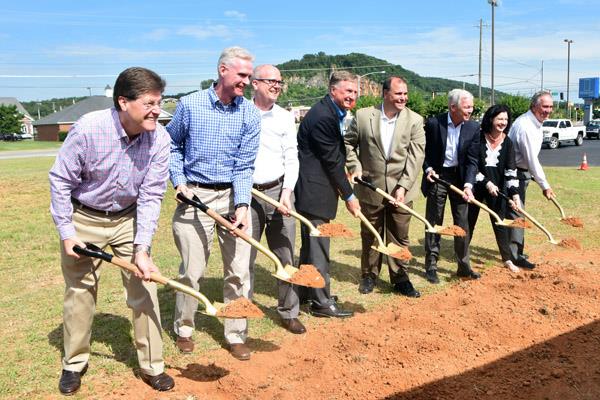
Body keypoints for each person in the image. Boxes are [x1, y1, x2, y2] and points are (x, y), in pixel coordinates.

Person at [49, 67, 174, 395]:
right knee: (80, 291)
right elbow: (61, 180)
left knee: (144, 288)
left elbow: (151, 195)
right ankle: (74, 363)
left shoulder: (159, 138)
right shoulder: (89, 130)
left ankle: (153, 365)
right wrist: (67, 233)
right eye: (149, 103)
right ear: (123, 101)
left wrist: (142, 249)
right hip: (84, 218)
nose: (156, 110)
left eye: (158, 102)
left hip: (128, 218)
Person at [168, 47, 261, 361]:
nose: (247, 82)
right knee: (192, 271)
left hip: (233, 196)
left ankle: (235, 333)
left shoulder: (249, 113)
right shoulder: (190, 104)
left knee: (238, 272)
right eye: (242, 75)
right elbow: (171, 146)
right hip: (195, 196)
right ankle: (184, 328)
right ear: (223, 70)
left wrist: (243, 205)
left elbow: (244, 166)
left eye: (249, 76)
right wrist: (178, 181)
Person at [345, 76, 425, 297]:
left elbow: (416, 157)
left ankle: (400, 278)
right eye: (399, 93)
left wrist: (403, 186)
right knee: (370, 234)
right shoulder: (363, 117)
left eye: (405, 94)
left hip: (402, 190)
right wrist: (355, 166)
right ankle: (369, 275)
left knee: (399, 236)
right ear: (386, 94)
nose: (404, 98)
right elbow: (347, 144)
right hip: (370, 188)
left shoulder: (415, 120)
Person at [295, 70, 361, 318]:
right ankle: (322, 303)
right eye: (347, 91)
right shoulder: (324, 116)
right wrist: (350, 196)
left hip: (315, 188)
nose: (351, 96)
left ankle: (305, 292)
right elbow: (332, 161)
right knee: (319, 247)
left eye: (354, 92)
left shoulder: (330, 111)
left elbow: (334, 157)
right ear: (333, 90)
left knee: (310, 247)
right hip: (315, 190)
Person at [249, 64, 305, 334]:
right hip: (247, 196)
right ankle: (242, 312)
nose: (276, 85)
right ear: (254, 83)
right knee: (244, 258)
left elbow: (291, 157)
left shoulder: (285, 117)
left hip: (279, 191)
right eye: (270, 81)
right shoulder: (242, 112)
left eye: (279, 82)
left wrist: (286, 194)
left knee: (286, 255)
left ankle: (288, 311)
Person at [421, 89, 481, 283]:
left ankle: (464, 267)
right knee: (434, 221)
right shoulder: (433, 123)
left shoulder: (473, 128)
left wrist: (469, 185)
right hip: (438, 176)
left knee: (462, 223)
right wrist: (428, 169)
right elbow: (423, 152)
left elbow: (473, 160)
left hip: (460, 178)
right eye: (466, 107)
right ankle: (431, 266)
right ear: (452, 107)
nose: (470, 110)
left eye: (471, 106)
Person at [467, 104, 522, 273]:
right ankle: (462, 254)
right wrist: (486, 183)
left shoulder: (508, 143)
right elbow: (473, 166)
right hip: (476, 186)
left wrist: (515, 195)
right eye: (500, 119)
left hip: (498, 189)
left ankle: (507, 259)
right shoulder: (479, 138)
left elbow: (511, 171)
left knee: (500, 223)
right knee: (469, 221)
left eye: (505, 119)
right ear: (491, 119)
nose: (503, 122)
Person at [507, 91, 555, 269]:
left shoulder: (535, 123)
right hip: (515, 175)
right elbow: (531, 160)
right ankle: (514, 256)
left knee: (517, 213)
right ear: (534, 106)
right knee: (517, 214)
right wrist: (545, 185)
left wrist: (534, 177)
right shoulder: (526, 126)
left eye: (550, 107)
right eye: (544, 106)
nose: (548, 110)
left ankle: (515, 251)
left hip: (523, 173)